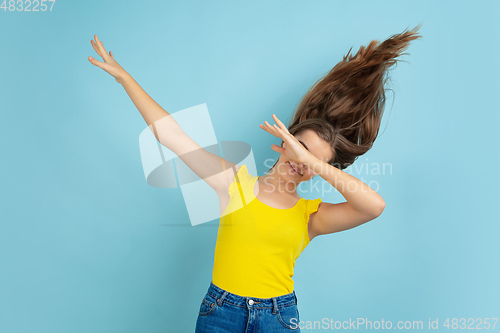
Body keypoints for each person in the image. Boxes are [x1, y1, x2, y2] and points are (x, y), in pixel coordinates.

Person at [88, 24, 422, 332]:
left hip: (279, 316)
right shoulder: (234, 182)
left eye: (315, 162)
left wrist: (311, 159)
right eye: (300, 147)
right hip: (220, 313)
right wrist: (125, 79)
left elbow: (373, 207)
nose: (302, 163)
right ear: (284, 140)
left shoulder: (312, 217)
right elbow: (171, 136)